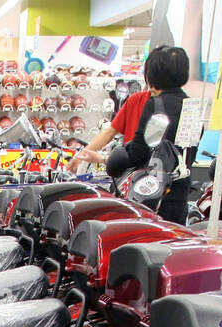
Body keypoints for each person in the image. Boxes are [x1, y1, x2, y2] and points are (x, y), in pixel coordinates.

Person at [122, 44, 193, 225]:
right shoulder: (192, 107)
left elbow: (138, 152)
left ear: (153, 73)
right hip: (179, 194)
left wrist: (110, 159)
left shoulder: (156, 105)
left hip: (150, 195)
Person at [72, 84, 153, 167]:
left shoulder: (138, 100)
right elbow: (109, 133)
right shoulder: (136, 100)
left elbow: (109, 133)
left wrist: (100, 158)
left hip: (136, 168)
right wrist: (82, 156)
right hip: (132, 169)